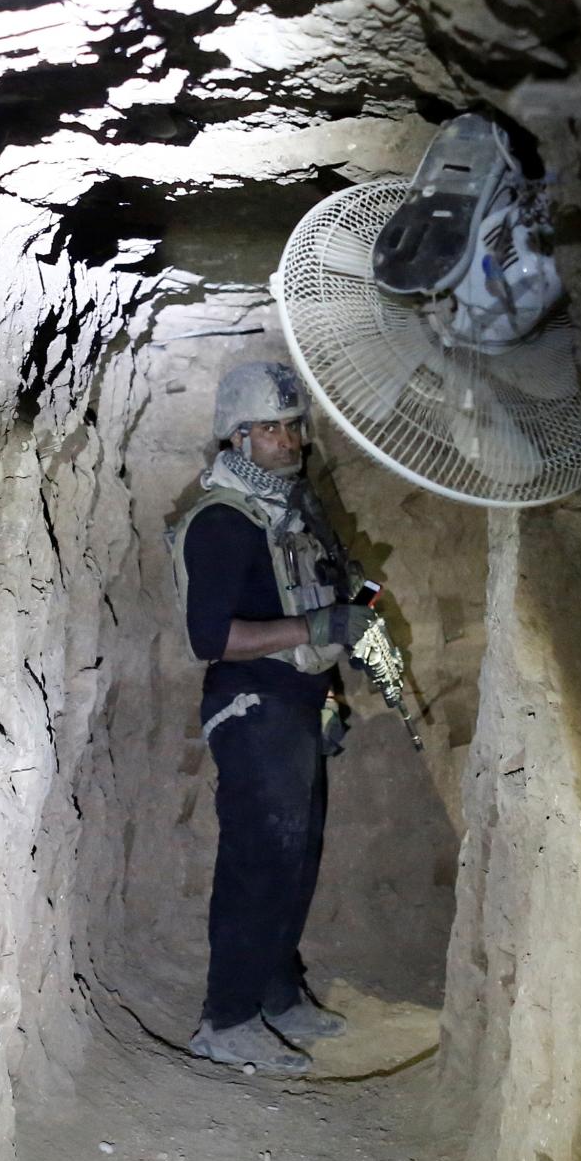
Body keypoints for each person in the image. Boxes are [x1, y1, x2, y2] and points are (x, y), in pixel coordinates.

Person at [168, 359, 379, 1073]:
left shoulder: (291, 510)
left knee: (297, 852)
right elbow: (211, 638)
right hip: (248, 701)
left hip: (293, 699)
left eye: (293, 427)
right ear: (237, 437)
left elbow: (312, 608)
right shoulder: (222, 521)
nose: (287, 442)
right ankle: (225, 1020)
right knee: (259, 859)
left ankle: (280, 996)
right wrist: (320, 629)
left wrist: (328, 690)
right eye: (270, 429)